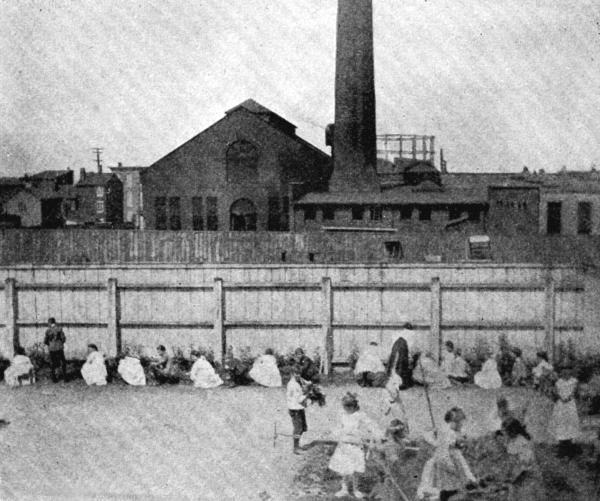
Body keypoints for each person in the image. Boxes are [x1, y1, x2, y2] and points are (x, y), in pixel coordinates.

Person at [329, 392, 384, 499]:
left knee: (355, 469)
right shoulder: (342, 415)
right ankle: (344, 488)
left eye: (350, 406)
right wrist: (334, 433)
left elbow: (371, 424)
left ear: (355, 406)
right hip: (344, 445)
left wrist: (378, 434)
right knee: (343, 468)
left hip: (356, 446)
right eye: (345, 406)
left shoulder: (360, 415)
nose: (348, 409)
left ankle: (355, 489)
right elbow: (336, 427)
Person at [417, 407, 478, 501]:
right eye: (461, 422)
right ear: (455, 421)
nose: (462, 424)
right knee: (452, 491)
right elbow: (451, 453)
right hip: (447, 465)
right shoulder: (448, 433)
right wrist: (462, 474)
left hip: (444, 465)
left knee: (447, 491)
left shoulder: (446, 431)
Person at [502, 417, 545, 500]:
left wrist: (515, 478)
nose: (504, 434)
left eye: (505, 432)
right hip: (521, 470)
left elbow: (526, 465)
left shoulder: (521, 442)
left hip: (528, 473)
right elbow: (511, 453)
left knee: (522, 492)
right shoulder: (514, 440)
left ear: (512, 432)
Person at [549, 367, 581, 458]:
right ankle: (562, 446)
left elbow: (575, 392)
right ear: (561, 373)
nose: (565, 374)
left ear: (570, 372)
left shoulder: (574, 381)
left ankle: (570, 446)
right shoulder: (558, 382)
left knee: (570, 422)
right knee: (561, 423)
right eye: (563, 372)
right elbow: (556, 392)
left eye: (568, 372)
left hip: (570, 404)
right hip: (561, 405)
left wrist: (569, 398)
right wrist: (560, 397)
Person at [287, 366, 308, 454]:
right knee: (298, 428)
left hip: (298, 407)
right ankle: (295, 448)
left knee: (303, 427)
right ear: (292, 374)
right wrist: (308, 394)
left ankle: (297, 444)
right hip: (295, 408)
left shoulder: (296, 382)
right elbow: (299, 399)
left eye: (299, 373)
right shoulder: (293, 385)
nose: (299, 375)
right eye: (296, 374)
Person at [44, 317, 67, 382]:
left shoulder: (48, 330)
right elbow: (63, 339)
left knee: (52, 363)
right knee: (63, 362)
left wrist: (49, 344)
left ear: (49, 323)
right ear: (55, 322)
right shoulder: (60, 329)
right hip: (59, 347)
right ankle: (65, 378)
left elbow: (45, 341)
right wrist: (60, 343)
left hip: (52, 348)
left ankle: (54, 378)